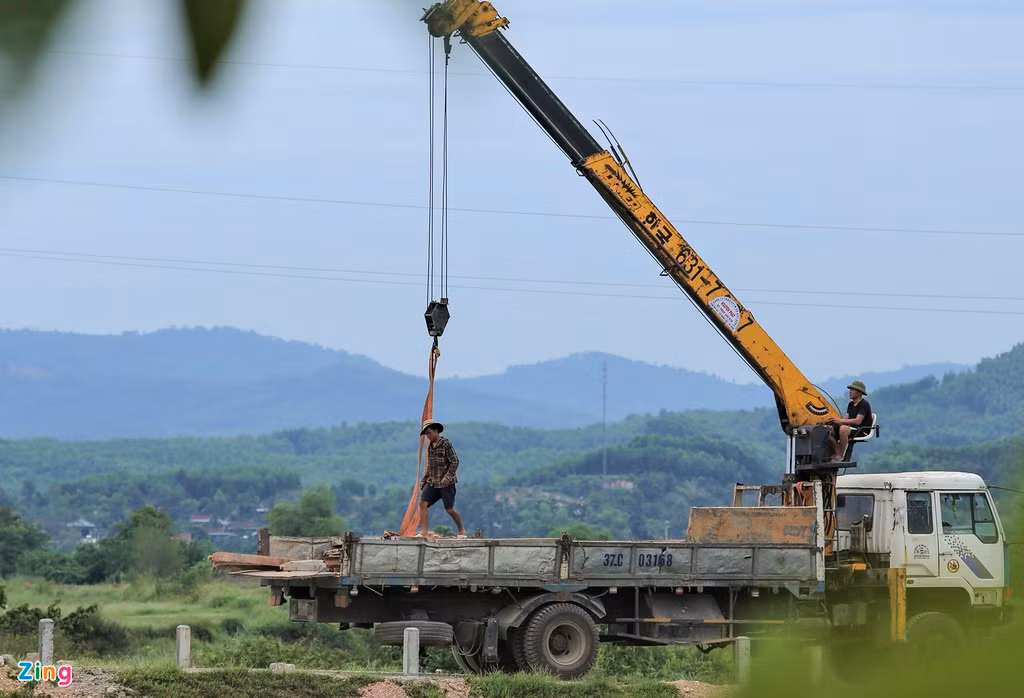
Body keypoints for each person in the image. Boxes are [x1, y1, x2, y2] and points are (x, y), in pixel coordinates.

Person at [417, 419, 466, 537]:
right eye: (426, 434)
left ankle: (461, 530)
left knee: (449, 509)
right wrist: (424, 480)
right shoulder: (431, 446)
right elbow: (430, 465)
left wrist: (448, 477)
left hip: (446, 483)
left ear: (436, 431)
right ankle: (424, 532)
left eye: (429, 433)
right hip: (433, 481)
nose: (428, 436)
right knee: (423, 503)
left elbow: (455, 461)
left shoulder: (445, 444)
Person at [828, 380, 873, 462]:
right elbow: (846, 420)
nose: (850, 392)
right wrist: (836, 421)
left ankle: (841, 455)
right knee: (828, 429)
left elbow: (858, 421)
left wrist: (840, 421)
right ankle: (837, 451)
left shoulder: (864, 404)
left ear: (859, 393)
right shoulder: (851, 404)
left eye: (852, 390)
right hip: (852, 428)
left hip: (860, 430)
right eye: (850, 390)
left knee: (843, 429)